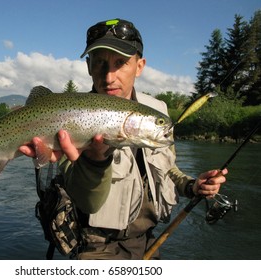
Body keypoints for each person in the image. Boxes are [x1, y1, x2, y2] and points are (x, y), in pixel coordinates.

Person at [19, 18, 228, 260]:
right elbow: (89, 203)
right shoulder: (70, 120)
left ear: (139, 66)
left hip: (148, 241)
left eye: (120, 63)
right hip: (96, 248)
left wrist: (192, 186)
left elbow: (167, 168)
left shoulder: (156, 114)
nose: (109, 77)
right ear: (89, 66)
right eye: (100, 63)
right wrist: (95, 162)